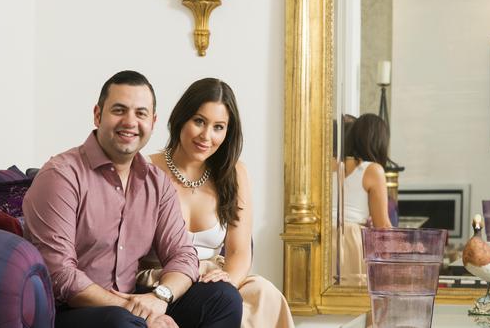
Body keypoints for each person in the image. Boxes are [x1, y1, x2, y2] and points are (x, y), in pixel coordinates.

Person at [22, 71, 242, 328]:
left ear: (153, 121)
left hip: (132, 302)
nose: (130, 122)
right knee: (120, 322)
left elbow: (182, 255)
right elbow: (60, 275)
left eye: (140, 113)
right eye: (119, 110)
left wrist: (161, 296)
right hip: (69, 310)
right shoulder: (61, 176)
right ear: (97, 114)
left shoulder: (156, 183)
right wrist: (143, 312)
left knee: (224, 298)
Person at [136, 78, 295, 328]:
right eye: (199, 121)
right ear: (181, 118)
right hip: (161, 280)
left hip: (215, 279)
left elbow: (239, 251)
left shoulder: (235, 174)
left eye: (218, 127)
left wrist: (228, 281)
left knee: (264, 294)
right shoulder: (145, 170)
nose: (206, 136)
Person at [339, 113, 392, 285]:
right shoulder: (373, 170)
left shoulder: (330, 165)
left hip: (324, 238)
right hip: (351, 239)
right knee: (356, 302)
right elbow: (382, 226)